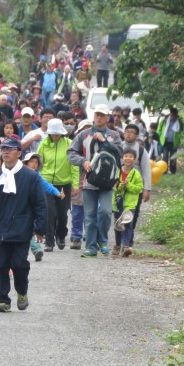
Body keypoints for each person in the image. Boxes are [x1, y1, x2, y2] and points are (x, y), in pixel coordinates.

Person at [0, 137, 47, 312]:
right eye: (3, 149)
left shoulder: (30, 176)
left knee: (19, 264)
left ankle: (22, 291)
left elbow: (40, 203)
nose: (6, 152)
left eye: (10, 149)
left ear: (19, 152)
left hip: (21, 228)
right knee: (0, 266)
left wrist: (39, 228)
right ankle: (3, 300)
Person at [68, 105, 123, 257]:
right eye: (97, 114)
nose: (99, 117)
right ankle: (91, 247)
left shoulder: (114, 135)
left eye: (102, 115)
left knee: (105, 212)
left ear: (107, 118)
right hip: (89, 180)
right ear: (93, 116)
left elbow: (120, 152)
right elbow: (71, 152)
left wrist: (104, 140)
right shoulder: (83, 135)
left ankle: (103, 241)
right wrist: (83, 161)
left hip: (108, 181)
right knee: (90, 215)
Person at [37, 119, 79, 252]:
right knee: (50, 212)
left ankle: (61, 235)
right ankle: (49, 242)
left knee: (62, 214)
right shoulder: (43, 144)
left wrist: (75, 184)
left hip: (64, 183)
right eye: (52, 133)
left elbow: (74, 165)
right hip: (47, 182)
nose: (55, 135)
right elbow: (37, 162)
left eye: (57, 133)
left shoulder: (69, 144)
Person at [115, 124, 152, 254]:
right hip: (119, 190)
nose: (129, 134)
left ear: (137, 135)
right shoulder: (119, 148)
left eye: (132, 132)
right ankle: (120, 243)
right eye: (127, 132)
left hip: (136, 189)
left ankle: (128, 243)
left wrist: (147, 189)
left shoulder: (141, 151)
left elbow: (146, 170)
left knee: (133, 216)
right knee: (118, 217)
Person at [112, 149, 143, 257]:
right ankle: (117, 245)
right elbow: (113, 187)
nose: (128, 158)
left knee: (128, 224)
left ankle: (126, 246)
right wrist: (121, 185)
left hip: (130, 204)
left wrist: (128, 185)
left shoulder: (136, 174)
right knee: (118, 225)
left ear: (134, 159)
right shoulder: (116, 171)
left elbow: (139, 188)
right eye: (126, 156)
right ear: (122, 158)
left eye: (130, 156)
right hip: (117, 203)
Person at [69, 120, 92, 249]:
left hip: (95, 181)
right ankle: (76, 237)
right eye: (84, 129)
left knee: (92, 211)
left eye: (89, 129)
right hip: (79, 180)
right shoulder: (75, 145)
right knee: (77, 211)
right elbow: (71, 159)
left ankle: (91, 236)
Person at [157, 107, 184, 174]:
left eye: (174, 116)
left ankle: (173, 171)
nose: (172, 117)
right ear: (170, 114)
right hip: (165, 142)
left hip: (174, 142)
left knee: (173, 157)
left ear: (176, 115)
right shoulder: (164, 120)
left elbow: (182, 131)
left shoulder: (179, 122)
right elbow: (159, 130)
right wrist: (159, 139)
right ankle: (164, 171)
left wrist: (180, 142)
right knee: (165, 157)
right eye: (171, 115)